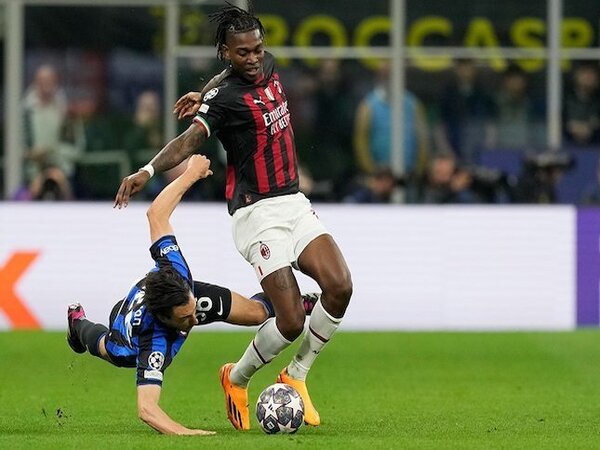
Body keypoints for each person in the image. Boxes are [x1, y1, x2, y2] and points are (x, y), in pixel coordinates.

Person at [114, 4, 352, 431]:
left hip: (293, 202)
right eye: (242, 53)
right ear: (226, 52)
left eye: (257, 49)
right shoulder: (223, 103)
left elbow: (231, 75)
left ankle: (296, 376)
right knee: (291, 319)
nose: (254, 58)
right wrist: (148, 170)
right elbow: (188, 142)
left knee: (339, 286)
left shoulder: (263, 65)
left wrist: (205, 87)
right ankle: (236, 377)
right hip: (255, 213)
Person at [69, 154, 320, 434]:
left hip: (168, 291)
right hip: (125, 328)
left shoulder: (176, 270)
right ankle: (77, 324)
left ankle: (294, 303)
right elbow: (147, 410)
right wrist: (187, 433)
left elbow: (156, 213)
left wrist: (191, 173)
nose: (195, 320)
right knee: (106, 348)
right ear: (167, 319)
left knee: (258, 313)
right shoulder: (153, 343)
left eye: (192, 311)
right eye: (186, 318)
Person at [353, 60, 429, 178]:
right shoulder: (368, 106)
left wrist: (418, 170)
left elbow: (423, 139)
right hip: (379, 174)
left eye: (390, 74)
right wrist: (370, 170)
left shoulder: (413, 104)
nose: (388, 79)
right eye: (384, 75)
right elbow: (361, 141)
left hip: (408, 172)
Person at [21, 64, 84, 200]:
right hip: (30, 174)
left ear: (56, 82)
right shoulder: (24, 114)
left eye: (49, 80)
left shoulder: (67, 113)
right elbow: (15, 148)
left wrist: (51, 153)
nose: (46, 85)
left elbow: (77, 149)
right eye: (42, 81)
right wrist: (29, 154)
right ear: (35, 82)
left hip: (62, 174)